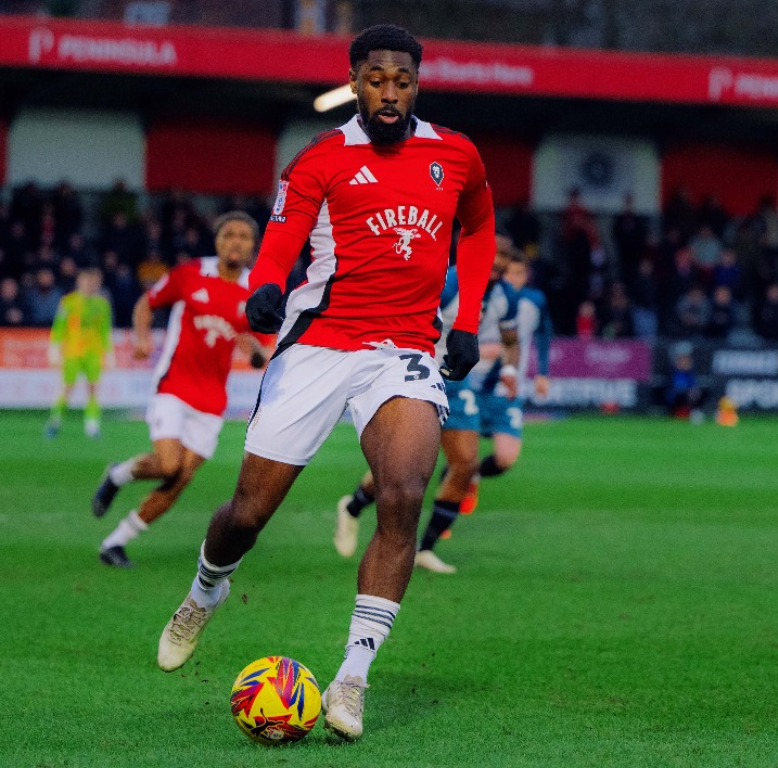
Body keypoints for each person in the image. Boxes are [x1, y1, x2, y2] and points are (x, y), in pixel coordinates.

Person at [154, 25, 496, 743]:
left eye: (402, 81)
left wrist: (466, 320)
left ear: (416, 84)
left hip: (404, 348)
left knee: (403, 495)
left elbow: (479, 227)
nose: (390, 93)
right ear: (355, 80)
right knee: (248, 514)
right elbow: (281, 237)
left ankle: (352, 679)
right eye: (376, 80)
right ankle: (203, 592)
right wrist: (266, 286)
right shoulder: (321, 160)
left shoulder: (456, 154)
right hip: (319, 345)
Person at [334, 234, 520, 572]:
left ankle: (425, 548)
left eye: (504, 256)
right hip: (417, 372)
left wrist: (508, 367)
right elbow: (416, 318)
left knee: (465, 463)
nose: (497, 261)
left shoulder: (506, 296)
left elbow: (512, 339)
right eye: (493, 253)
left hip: (457, 380)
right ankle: (352, 507)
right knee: (405, 465)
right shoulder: (450, 282)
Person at [91, 212, 268, 568]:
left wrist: (255, 351)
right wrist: (142, 338)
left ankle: (115, 542)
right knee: (168, 465)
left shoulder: (256, 291)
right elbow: (147, 303)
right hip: (173, 386)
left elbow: (265, 351)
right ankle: (118, 474)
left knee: (179, 479)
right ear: (217, 242)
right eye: (229, 235)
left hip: (212, 401)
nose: (236, 241)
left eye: (244, 236)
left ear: (253, 246)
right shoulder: (189, 274)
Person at [459, 252, 552, 515]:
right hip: (473, 385)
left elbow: (544, 332)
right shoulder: (483, 296)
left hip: (507, 389)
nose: (515, 279)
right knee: (463, 454)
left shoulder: (535, 301)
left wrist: (543, 373)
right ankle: (442, 517)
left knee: (505, 458)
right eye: (510, 273)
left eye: (520, 273)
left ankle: (472, 476)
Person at [44, 267, 114, 438]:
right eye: (87, 281)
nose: (90, 285)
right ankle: (55, 421)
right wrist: (54, 348)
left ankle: (92, 426)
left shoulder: (103, 304)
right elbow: (59, 327)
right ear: (79, 282)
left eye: (94, 282)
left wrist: (110, 352)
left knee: (93, 389)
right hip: (72, 351)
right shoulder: (68, 302)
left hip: (93, 353)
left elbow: (105, 331)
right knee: (67, 388)